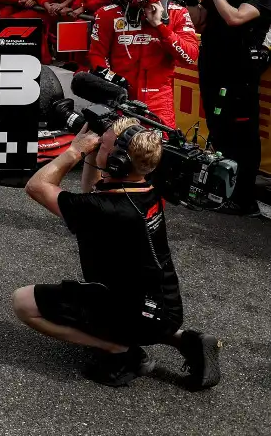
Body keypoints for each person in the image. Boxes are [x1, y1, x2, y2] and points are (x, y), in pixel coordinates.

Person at [15, 117, 220, 389]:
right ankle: (185, 340)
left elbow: (36, 186)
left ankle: (116, 349)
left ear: (117, 163)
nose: (97, 143)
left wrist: (75, 151)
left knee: (23, 302)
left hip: (137, 313)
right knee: (129, 304)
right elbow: (93, 192)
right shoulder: (146, 190)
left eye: (104, 144)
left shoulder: (107, 209)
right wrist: (97, 153)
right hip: (164, 308)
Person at [187, 0, 271, 214]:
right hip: (213, 68)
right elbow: (197, 22)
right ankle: (221, 192)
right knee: (219, 128)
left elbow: (235, 18)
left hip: (240, 75)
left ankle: (245, 200)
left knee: (241, 137)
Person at [87, 0, 198, 127]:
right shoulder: (107, 14)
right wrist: (114, 84)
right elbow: (96, 56)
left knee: (159, 150)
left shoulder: (177, 12)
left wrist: (160, 27)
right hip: (118, 98)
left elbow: (190, 56)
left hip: (159, 102)